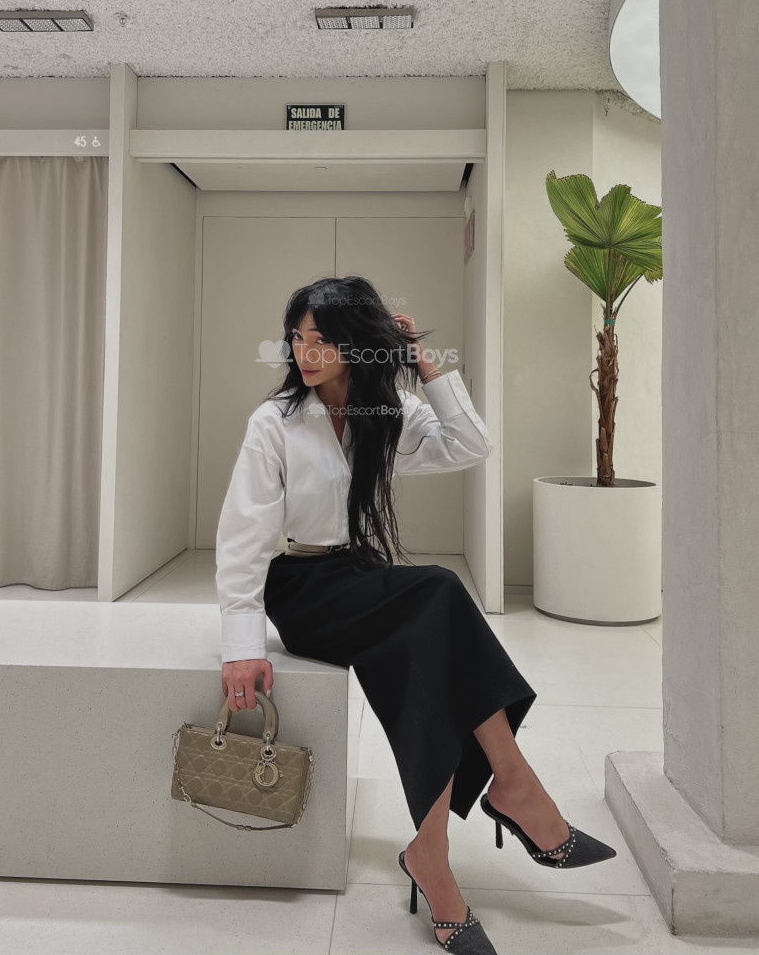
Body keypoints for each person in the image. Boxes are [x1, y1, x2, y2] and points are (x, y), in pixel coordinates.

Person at [215, 276, 616, 953]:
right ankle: (513, 785)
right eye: (296, 338)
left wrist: (426, 368)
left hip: (355, 574)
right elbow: (242, 535)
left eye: (322, 339)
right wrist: (241, 644)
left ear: (358, 345)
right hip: (302, 588)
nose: (305, 353)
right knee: (439, 591)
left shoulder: (385, 410)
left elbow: (470, 447)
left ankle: (431, 854)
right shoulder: (275, 421)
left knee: (423, 662)